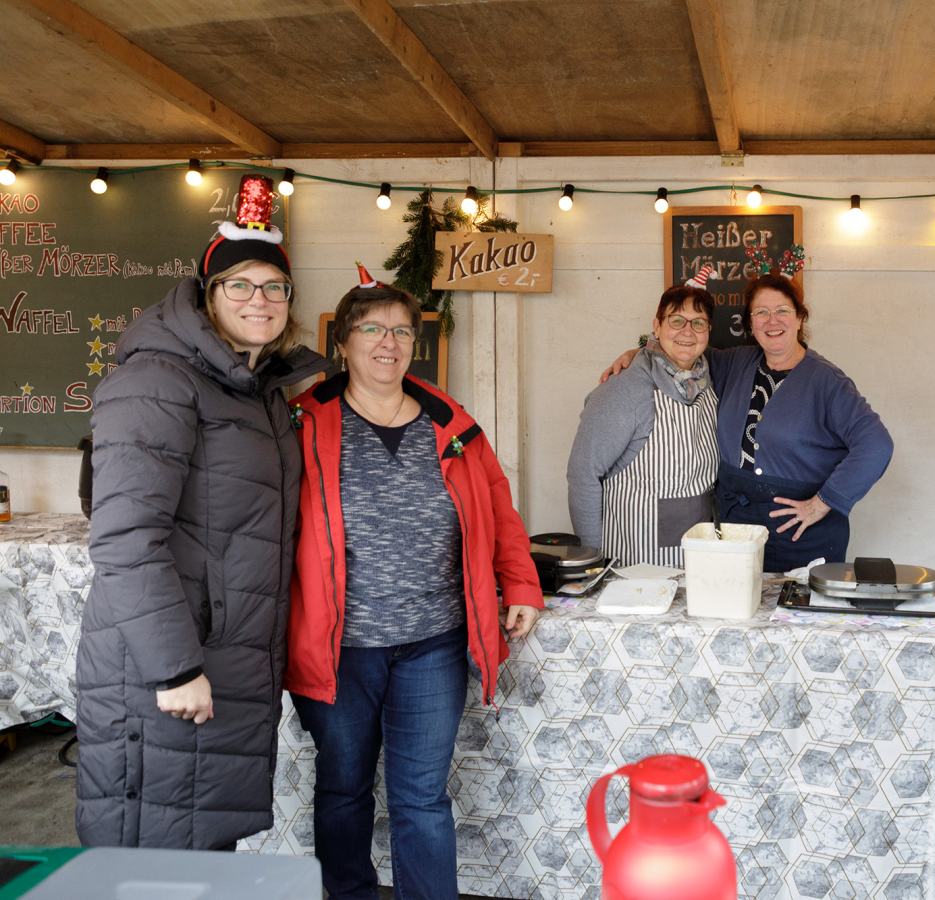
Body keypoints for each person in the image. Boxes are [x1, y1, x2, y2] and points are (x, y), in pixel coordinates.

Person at [76, 175, 326, 849]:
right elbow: (126, 539)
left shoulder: (256, 390)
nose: (259, 300)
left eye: (274, 287)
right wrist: (174, 668)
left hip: (226, 660)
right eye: (239, 285)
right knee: (153, 858)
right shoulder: (157, 380)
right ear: (208, 294)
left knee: (203, 851)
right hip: (165, 668)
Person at [286, 272, 544, 900]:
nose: (388, 343)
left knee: (422, 796)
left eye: (402, 331)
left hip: (433, 641)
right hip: (340, 647)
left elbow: (498, 510)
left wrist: (521, 584)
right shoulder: (303, 422)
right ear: (342, 342)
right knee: (343, 787)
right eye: (372, 329)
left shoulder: (451, 423)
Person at [604, 272, 893, 572]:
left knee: (795, 603)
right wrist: (638, 354)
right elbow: (682, 349)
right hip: (737, 529)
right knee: (736, 599)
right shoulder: (734, 362)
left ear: (799, 319)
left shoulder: (828, 381)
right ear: (750, 324)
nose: (772, 321)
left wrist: (822, 503)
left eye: (782, 311)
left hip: (800, 535)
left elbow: (876, 445)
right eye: (761, 312)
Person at [567, 282, 718, 566]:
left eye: (698, 323)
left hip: (699, 558)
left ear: (708, 331)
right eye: (676, 320)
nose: (687, 331)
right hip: (635, 566)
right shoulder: (624, 389)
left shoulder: (708, 382)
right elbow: (582, 474)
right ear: (657, 327)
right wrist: (592, 558)